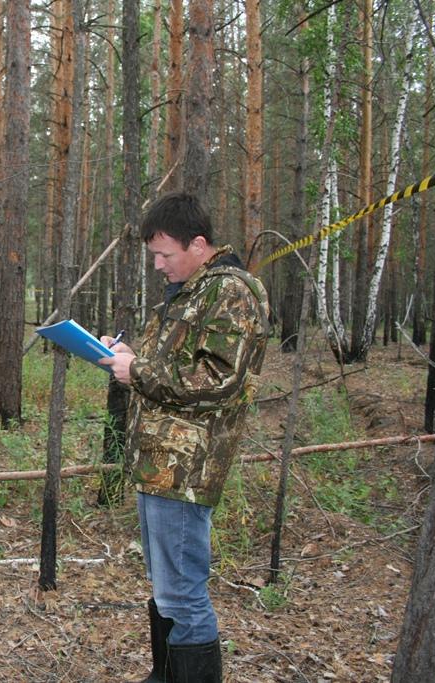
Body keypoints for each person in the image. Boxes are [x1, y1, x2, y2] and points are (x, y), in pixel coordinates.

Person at [99, 193, 269, 683]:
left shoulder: (232, 291)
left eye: (165, 254)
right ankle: (166, 674)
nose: (158, 265)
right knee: (166, 585)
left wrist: (140, 371)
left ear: (198, 244)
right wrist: (124, 356)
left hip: (187, 467)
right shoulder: (189, 291)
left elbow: (219, 379)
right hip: (158, 461)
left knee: (183, 591)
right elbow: (167, 364)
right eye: (154, 254)